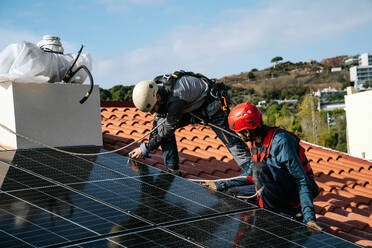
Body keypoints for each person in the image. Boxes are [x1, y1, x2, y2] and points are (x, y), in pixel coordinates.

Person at [204, 103, 322, 231]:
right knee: (232, 192)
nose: (239, 136)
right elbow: (250, 175)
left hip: (294, 193)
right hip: (273, 185)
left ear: (247, 131)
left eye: (238, 133)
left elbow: (301, 180)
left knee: (259, 169)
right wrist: (221, 184)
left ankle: (278, 216)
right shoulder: (256, 142)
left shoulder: (281, 142)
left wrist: (309, 217)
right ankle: (260, 216)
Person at [129, 71, 251, 175]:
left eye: (152, 109)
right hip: (191, 106)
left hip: (212, 107)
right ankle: (173, 171)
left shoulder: (175, 99)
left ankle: (256, 174)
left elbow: (167, 129)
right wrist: (145, 148)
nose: (151, 113)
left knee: (233, 144)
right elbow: (159, 121)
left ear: (158, 97)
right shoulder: (157, 87)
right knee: (161, 125)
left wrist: (146, 148)